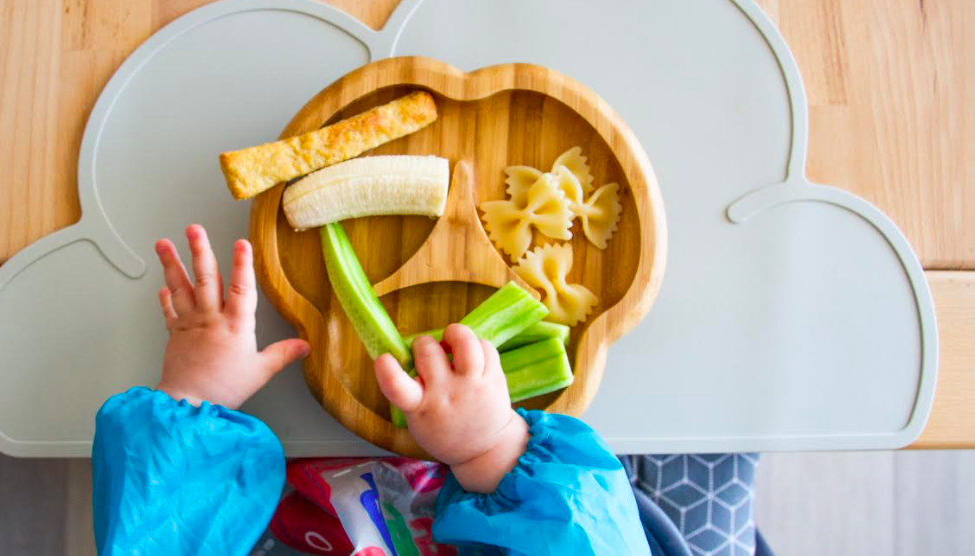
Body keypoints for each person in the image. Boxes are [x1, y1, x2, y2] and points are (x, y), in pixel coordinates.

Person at [92, 226, 760, 556]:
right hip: (530, 500)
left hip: (266, 503)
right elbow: (586, 539)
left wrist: (194, 395)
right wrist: (492, 446)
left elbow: (155, 538)